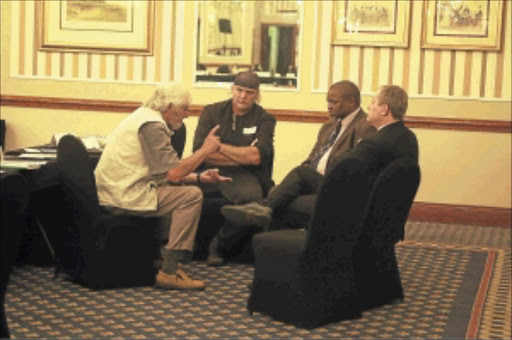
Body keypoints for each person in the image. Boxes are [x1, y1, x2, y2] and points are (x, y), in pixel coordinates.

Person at [94, 83, 231, 290]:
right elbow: (175, 173)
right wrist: (205, 151)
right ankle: (169, 270)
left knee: (182, 190)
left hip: (115, 190)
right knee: (191, 196)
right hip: (122, 195)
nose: (187, 115)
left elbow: (168, 173)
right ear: (169, 106)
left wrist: (201, 177)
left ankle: (161, 257)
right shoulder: (153, 127)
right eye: (184, 109)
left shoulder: (144, 115)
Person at [220, 80, 376, 240]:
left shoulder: (365, 127)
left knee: (300, 175)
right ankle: (259, 248)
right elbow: (312, 158)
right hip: (313, 180)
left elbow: (354, 166)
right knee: (279, 194)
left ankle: (262, 208)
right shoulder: (328, 127)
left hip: (336, 184)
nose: (329, 106)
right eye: (328, 101)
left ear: (351, 102)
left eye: (333, 102)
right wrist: (289, 185)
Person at [192, 71, 276, 266]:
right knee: (182, 189)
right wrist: (242, 155)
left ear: (257, 95)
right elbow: (199, 151)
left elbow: (256, 157)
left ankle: (219, 244)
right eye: (239, 90)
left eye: (249, 92)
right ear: (232, 90)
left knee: (252, 197)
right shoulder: (211, 112)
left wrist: (218, 146)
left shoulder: (265, 119)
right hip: (210, 169)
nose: (243, 96)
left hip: (246, 175)